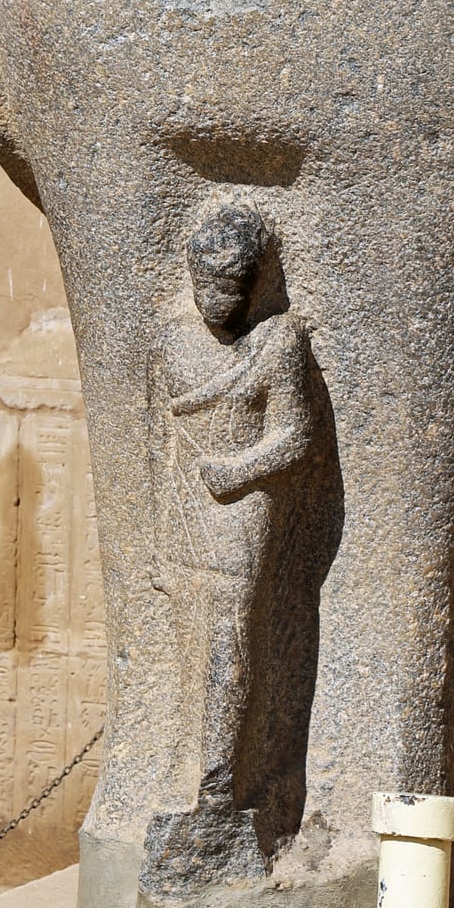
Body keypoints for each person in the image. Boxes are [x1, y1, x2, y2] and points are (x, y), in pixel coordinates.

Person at [148, 206, 315, 863]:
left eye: (230, 287)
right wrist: (167, 521)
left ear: (253, 284)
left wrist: (238, 469)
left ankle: (219, 782)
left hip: (241, 506)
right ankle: (189, 770)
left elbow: (294, 434)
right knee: (191, 636)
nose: (217, 301)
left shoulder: (280, 340)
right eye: (205, 286)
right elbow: (163, 435)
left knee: (231, 631)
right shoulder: (171, 338)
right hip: (186, 503)